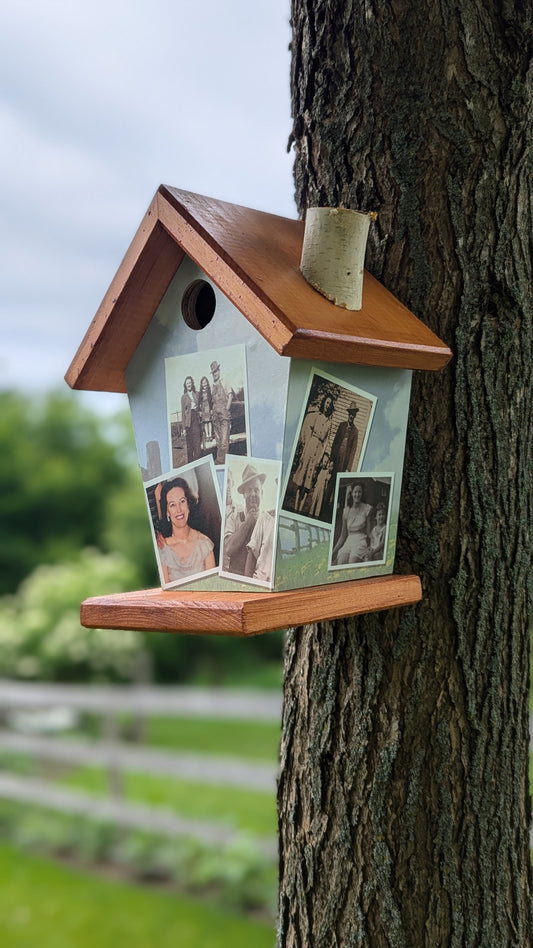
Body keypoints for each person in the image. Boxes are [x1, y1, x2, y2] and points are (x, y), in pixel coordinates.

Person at [156, 477, 215, 583]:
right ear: (167, 512)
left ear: (188, 504)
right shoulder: (162, 549)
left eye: (182, 501)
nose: (179, 510)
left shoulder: (204, 544)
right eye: (172, 505)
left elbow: (213, 589)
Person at [224, 464, 273, 579]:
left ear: (262, 493)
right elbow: (229, 549)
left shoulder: (266, 521)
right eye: (249, 490)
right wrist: (248, 522)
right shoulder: (234, 517)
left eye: (256, 490)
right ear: (243, 494)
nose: (252, 494)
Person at [292, 394, 335, 512]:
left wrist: (321, 457)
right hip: (310, 446)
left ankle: (300, 509)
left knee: (309, 481)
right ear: (324, 403)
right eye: (327, 403)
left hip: (318, 450)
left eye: (330, 404)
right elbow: (308, 430)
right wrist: (306, 446)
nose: (328, 406)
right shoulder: (317, 416)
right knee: (302, 477)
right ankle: (295, 507)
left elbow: (326, 442)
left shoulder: (329, 423)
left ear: (331, 407)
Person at [332, 482, 373, 565]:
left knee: (352, 562)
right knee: (341, 561)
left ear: (362, 494)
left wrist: (371, 548)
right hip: (349, 541)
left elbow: (369, 533)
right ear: (352, 493)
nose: (357, 494)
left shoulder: (367, 509)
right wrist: (332, 552)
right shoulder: (346, 511)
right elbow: (342, 536)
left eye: (359, 492)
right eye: (355, 492)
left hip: (360, 541)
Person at [210, 360, 234, 465]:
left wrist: (227, 409)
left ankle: (224, 462)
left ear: (219, 371)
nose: (215, 374)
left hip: (224, 415)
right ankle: (220, 462)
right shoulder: (211, 385)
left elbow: (230, 395)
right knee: (219, 442)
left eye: (216, 371)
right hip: (215, 417)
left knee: (224, 441)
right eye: (213, 372)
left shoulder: (224, 381)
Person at [181, 376, 201, 462]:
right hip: (188, 422)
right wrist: (183, 428)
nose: (189, 384)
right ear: (185, 385)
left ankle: (197, 463)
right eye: (187, 383)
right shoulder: (183, 397)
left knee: (197, 445)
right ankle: (191, 465)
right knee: (189, 447)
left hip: (196, 419)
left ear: (192, 383)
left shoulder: (196, 394)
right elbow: (183, 413)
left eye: (190, 382)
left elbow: (201, 405)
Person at [308, 452, 333, 518]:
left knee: (320, 502)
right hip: (317, 487)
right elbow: (315, 476)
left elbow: (328, 478)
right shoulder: (319, 469)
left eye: (326, 462)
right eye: (324, 461)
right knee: (314, 500)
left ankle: (316, 515)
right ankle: (310, 514)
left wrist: (330, 471)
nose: (325, 463)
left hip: (322, 488)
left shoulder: (327, 471)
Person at [197, 375, 213, 451]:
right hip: (203, 408)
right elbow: (199, 402)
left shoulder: (209, 391)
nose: (204, 384)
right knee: (205, 423)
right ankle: (207, 435)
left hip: (208, 408)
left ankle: (210, 435)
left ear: (207, 383)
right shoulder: (200, 393)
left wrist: (212, 409)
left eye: (205, 383)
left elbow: (211, 401)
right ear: (201, 384)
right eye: (203, 383)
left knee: (209, 422)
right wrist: (200, 410)